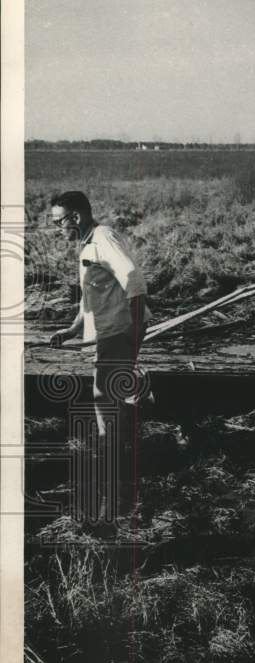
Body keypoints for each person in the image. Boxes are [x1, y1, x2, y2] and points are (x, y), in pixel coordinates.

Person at [48, 191, 148, 523]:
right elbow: (88, 300)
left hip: (118, 333)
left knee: (104, 400)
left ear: (75, 217)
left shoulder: (103, 237)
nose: (58, 228)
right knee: (111, 401)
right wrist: (72, 331)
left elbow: (132, 277)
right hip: (105, 335)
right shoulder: (88, 246)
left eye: (58, 221)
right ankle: (124, 441)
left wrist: (132, 330)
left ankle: (115, 489)